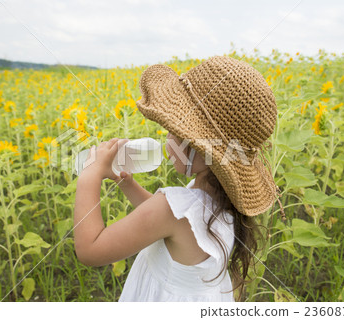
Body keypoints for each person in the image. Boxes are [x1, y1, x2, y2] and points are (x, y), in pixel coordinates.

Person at [73, 55, 283, 302]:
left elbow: (90, 249)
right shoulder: (215, 199)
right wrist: (126, 183)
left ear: (204, 150)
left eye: (175, 131)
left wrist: (90, 176)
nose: (167, 138)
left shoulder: (172, 209)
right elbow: (167, 221)